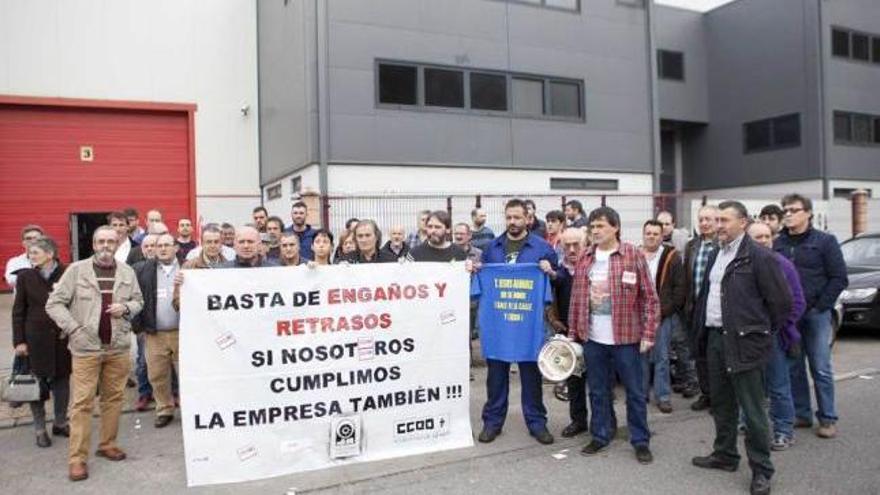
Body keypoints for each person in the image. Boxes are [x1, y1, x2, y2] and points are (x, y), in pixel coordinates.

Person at [691, 201, 792, 495]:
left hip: (745, 342)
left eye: (724, 220)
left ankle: (762, 470)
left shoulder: (759, 257)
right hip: (715, 339)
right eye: (717, 220)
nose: (718, 225)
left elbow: (781, 304)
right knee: (721, 403)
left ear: (743, 223)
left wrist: (758, 333)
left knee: (753, 410)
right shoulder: (715, 253)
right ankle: (725, 455)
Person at [45, 226, 144, 482]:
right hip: (85, 349)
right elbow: (54, 303)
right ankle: (77, 459)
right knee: (82, 404)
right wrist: (74, 328)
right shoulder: (77, 271)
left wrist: (126, 307)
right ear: (93, 243)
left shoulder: (127, 271)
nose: (106, 246)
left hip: (117, 346)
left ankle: (107, 444)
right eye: (101, 241)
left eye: (111, 241)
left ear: (117, 242)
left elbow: (139, 302)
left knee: (113, 398)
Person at [569, 206, 658, 465]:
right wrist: (574, 334)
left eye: (600, 226)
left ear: (615, 228)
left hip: (626, 339)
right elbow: (576, 299)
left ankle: (640, 440)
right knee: (597, 391)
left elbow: (650, 298)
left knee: (635, 392)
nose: (595, 231)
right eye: (592, 227)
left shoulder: (632, 255)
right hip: (594, 339)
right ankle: (601, 434)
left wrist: (649, 333)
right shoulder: (586, 257)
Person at [478, 199, 558, 446]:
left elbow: (559, 278)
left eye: (517, 217)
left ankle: (537, 423)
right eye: (508, 217)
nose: (512, 222)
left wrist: (550, 271)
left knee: (531, 375)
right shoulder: (493, 247)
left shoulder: (543, 247)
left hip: (529, 323)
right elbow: (482, 279)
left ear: (527, 219)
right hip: (499, 322)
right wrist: (475, 269)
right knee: (496, 376)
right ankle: (492, 423)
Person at [774, 193, 847, 439]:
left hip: (816, 314)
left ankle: (827, 418)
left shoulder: (825, 241)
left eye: (794, 209)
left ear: (808, 213)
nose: (789, 214)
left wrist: (820, 306)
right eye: (786, 210)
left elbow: (839, 278)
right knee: (794, 366)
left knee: (821, 367)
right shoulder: (778, 243)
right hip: (790, 316)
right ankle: (801, 414)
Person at [748, 222, 806, 451]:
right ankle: (749, 421)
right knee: (751, 384)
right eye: (757, 237)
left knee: (779, 386)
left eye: (766, 236)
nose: (762, 240)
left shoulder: (784, 266)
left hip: (774, 336)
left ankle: (783, 431)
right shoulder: (741, 266)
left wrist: (779, 326)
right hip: (749, 336)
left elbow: (798, 302)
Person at [12, 237, 70, 447]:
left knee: (62, 383)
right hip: (34, 340)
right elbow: (18, 312)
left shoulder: (67, 272)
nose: (30, 256)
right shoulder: (25, 276)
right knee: (35, 385)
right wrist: (19, 341)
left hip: (62, 338)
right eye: (30, 253)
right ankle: (39, 429)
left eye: (35, 252)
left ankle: (61, 422)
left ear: (50, 254)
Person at [132, 234, 181, 428]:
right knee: (157, 375)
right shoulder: (143, 270)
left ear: (175, 247)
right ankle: (164, 409)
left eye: (167, 245)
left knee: (186, 374)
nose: (162, 249)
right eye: (158, 246)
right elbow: (135, 296)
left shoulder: (188, 268)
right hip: (155, 334)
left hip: (183, 333)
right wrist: (139, 328)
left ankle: (190, 410)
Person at [546, 227, 591, 438]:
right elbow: (548, 296)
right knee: (574, 381)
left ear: (586, 244)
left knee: (600, 383)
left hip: (595, 333)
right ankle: (578, 421)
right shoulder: (558, 272)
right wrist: (553, 319)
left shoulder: (595, 267)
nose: (572, 249)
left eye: (576, 245)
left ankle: (603, 423)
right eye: (567, 245)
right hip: (568, 333)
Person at [640, 220, 686, 414]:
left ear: (662, 236)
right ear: (643, 235)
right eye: (648, 233)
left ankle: (663, 396)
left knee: (662, 357)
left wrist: (666, 310)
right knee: (640, 357)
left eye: (655, 234)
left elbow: (679, 288)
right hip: (638, 315)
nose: (651, 236)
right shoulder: (634, 255)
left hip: (662, 315)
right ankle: (641, 394)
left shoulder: (671, 256)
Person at [683, 205, 720, 410]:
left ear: (717, 221)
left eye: (709, 219)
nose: (704, 223)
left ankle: (718, 398)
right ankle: (706, 394)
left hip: (714, 308)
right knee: (699, 355)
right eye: (701, 219)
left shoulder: (722, 245)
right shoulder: (691, 246)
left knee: (715, 356)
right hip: (694, 308)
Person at [5, 224, 43, 289]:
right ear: (23, 243)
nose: (33, 241)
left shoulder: (51, 261)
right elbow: (11, 281)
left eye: (36, 238)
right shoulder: (14, 262)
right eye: (28, 238)